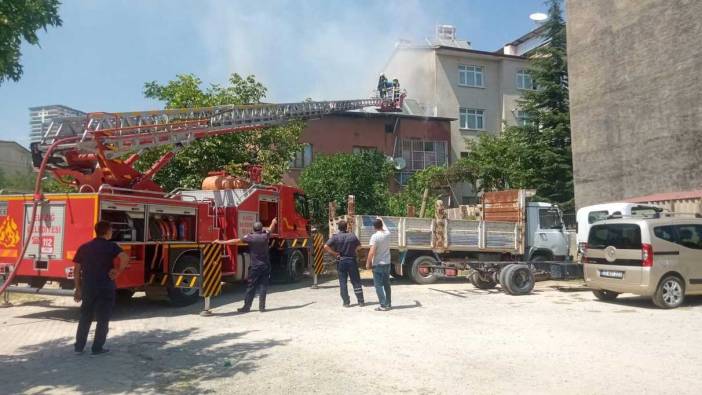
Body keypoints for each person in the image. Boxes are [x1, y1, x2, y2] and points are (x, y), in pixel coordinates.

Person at [73, 221, 129, 355]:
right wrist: (117, 271)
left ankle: (79, 347)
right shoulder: (112, 246)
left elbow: (76, 270)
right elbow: (125, 258)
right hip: (105, 287)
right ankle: (97, 348)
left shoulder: (84, 247)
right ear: (107, 232)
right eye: (111, 230)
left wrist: (78, 288)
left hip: (88, 287)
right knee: (103, 319)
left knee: (85, 316)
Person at [216, 218, 277, 313]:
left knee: (251, 287)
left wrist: (221, 242)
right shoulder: (265, 236)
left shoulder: (250, 237)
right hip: (265, 266)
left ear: (253, 229)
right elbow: (271, 228)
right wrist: (273, 222)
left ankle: (246, 307)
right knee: (263, 286)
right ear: (261, 229)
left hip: (255, 267)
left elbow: (235, 241)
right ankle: (262, 307)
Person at [324, 220, 365, 307]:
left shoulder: (335, 237)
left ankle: (346, 302)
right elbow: (359, 247)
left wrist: (335, 254)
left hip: (341, 261)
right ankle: (360, 301)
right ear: (346, 227)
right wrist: (355, 251)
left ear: (338, 228)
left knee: (343, 282)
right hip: (351, 261)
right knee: (356, 281)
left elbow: (326, 246)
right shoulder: (352, 236)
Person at [366, 218, 392, 311]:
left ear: (374, 227)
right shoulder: (388, 234)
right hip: (387, 263)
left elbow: (371, 252)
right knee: (386, 284)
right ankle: (388, 304)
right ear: (382, 225)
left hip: (378, 264)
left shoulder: (375, 237)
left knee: (378, 285)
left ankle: (383, 305)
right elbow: (385, 228)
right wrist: (380, 219)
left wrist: (368, 263)